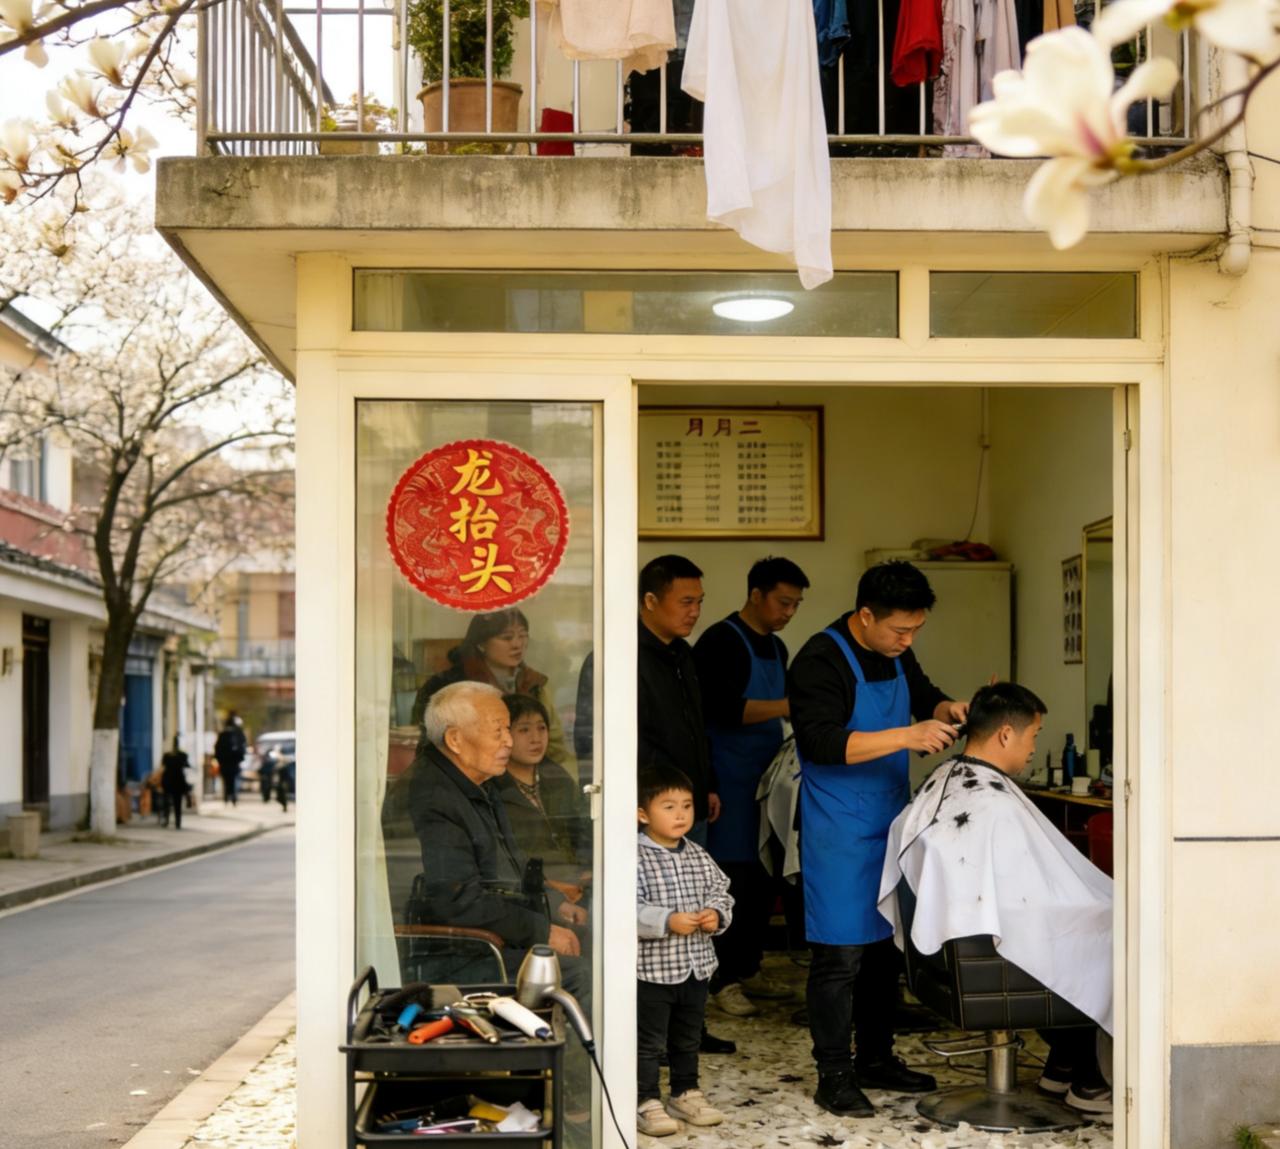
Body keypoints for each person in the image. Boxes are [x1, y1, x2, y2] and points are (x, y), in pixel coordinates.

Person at [877, 682, 1114, 1114]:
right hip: (983, 952)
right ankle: (1090, 1078)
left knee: (1090, 923)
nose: (1031, 748)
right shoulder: (992, 803)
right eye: (1033, 736)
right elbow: (1027, 894)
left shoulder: (947, 779)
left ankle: (1063, 1063)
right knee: (1106, 933)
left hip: (952, 948)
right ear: (1006, 734)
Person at [789, 560, 967, 1116]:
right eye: (899, 631)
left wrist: (946, 709)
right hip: (838, 829)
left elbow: (923, 692)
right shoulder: (819, 660)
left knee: (884, 952)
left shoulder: (896, 651)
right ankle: (834, 1074)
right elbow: (820, 743)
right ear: (865, 615)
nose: (907, 641)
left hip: (891, 821)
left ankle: (876, 1059)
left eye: (915, 631)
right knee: (839, 957)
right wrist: (907, 736)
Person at [693, 555, 809, 1018]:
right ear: (756, 595)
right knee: (731, 879)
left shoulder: (777, 648)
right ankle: (721, 979)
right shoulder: (720, 641)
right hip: (730, 779)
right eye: (783, 602)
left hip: (767, 776)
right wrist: (787, 704)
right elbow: (722, 710)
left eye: (796, 605)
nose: (788, 612)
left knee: (764, 876)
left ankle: (749, 966)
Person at [405, 681, 585, 979]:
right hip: (461, 952)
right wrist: (542, 931)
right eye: (498, 731)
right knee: (582, 973)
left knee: (599, 939)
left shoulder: (479, 783)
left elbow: (511, 869)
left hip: (495, 933)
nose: (509, 741)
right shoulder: (436, 797)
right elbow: (459, 902)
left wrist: (555, 905)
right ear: (455, 739)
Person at [637, 553, 735, 1055]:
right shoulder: (623, 653)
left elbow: (700, 728)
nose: (695, 611)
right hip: (650, 806)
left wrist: (707, 784)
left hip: (688, 801)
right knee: (658, 917)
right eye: (686, 601)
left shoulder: (684, 654)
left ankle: (691, 1025)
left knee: (695, 908)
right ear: (650, 601)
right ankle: (655, 1031)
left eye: (699, 601)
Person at [635, 765, 733, 1137]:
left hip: (696, 967)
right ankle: (645, 1100)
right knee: (648, 1041)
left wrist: (716, 913)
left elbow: (721, 891)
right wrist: (665, 921)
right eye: (669, 807)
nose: (681, 815)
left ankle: (685, 1092)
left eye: (687, 806)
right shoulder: (634, 857)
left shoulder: (698, 854)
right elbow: (623, 908)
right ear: (642, 814)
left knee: (688, 1037)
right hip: (652, 970)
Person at [410, 608, 575, 775]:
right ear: (481, 644)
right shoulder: (449, 686)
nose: (517, 644)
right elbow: (431, 747)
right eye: (507, 638)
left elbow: (555, 746)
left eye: (523, 636)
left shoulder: (535, 684)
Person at [493, 693, 592, 899]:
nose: (536, 738)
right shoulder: (492, 787)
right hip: (528, 893)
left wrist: (586, 870)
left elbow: (583, 828)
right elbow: (500, 860)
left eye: (542, 728)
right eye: (524, 730)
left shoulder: (557, 777)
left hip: (578, 884)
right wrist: (550, 886)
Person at [214, 713, 247, 806]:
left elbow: (217, 748)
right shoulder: (238, 734)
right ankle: (233, 797)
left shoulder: (223, 734)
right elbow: (243, 748)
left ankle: (227, 797)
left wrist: (219, 759)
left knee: (226, 780)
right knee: (234, 780)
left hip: (225, 762)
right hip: (234, 762)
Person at [160, 736, 192, 830]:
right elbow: (187, 765)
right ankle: (178, 822)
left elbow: (163, 765)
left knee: (166, 801)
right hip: (178, 780)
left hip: (168, 780)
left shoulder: (167, 755)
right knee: (177, 802)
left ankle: (166, 820)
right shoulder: (182, 755)